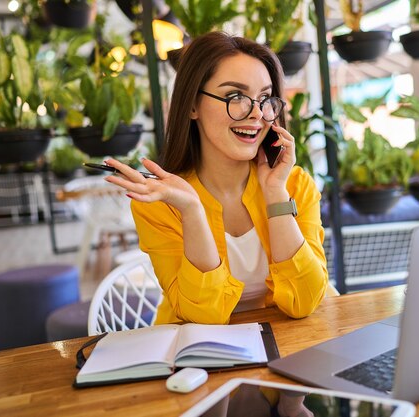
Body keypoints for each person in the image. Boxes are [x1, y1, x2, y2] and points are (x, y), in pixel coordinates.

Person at [104, 31, 328, 325]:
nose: (257, 115)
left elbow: (305, 300)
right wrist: (192, 211)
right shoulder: (161, 200)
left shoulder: (294, 185)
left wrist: (275, 194)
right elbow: (201, 314)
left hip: (284, 347)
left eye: (264, 98)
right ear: (193, 105)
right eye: (235, 97)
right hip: (196, 358)